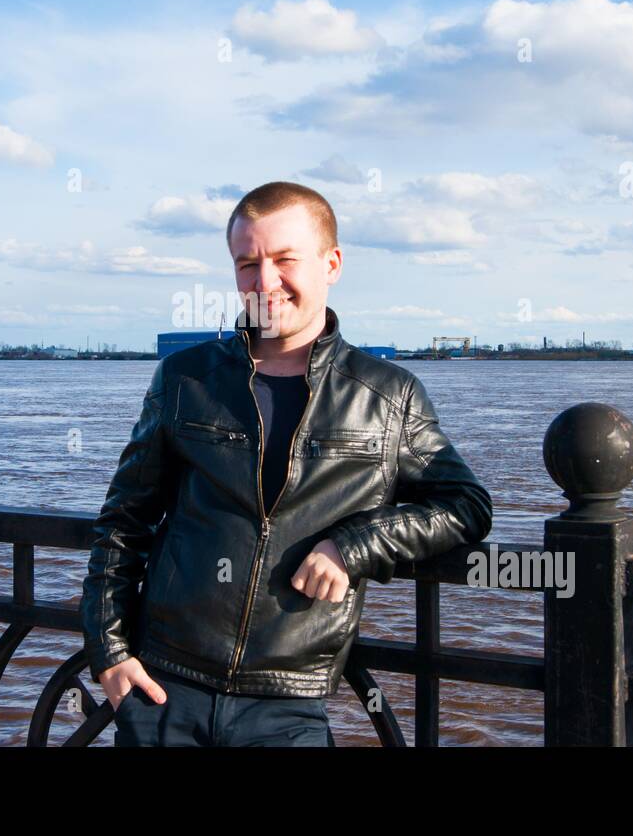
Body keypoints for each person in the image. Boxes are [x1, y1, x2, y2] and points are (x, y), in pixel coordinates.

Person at [80, 181, 493, 746]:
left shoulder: (388, 396)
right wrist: (109, 653)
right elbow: (124, 522)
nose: (265, 282)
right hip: (165, 688)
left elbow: (464, 506)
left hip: (288, 701)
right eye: (247, 263)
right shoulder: (185, 379)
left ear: (332, 263)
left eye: (284, 259)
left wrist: (353, 545)